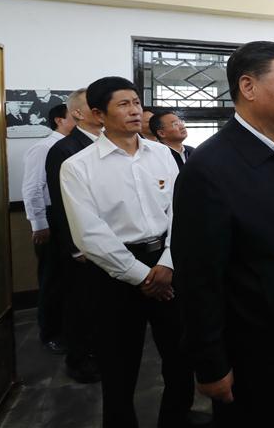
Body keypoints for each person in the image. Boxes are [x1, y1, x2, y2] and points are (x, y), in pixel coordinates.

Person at [171, 41, 274, 427]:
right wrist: (211, 365)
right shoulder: (209, 168)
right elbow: (199, 279)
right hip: (256, 353)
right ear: (248, 87)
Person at [60, 77, 194, 428]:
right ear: (97, 114)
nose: (135, 110)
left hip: (167, 262)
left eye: (136, 102)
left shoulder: (162, 154)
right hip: (113, 275)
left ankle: (176, 419)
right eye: (123, 104)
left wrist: (166, 264)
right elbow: (89, 233)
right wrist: (142, 277)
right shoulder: (78, 166)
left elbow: (181, 213)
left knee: (180, 358)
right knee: (119, 367)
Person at [46, 88, 105, 383]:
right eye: (94, 106)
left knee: (101, 306)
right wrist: (74, 247)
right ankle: (79, 360)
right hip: (80, 245)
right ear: (79, 113)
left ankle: (100, 353)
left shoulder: (111, 144)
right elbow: (61, 204)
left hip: (109, 240)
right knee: (80, 304)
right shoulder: (65, 149)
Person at [21, 103, 75, 354]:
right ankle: (51, 333)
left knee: (68, 279)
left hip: (69, 216)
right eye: (74, 116)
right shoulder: (44, 147)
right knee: (52, 278)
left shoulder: (73, 146)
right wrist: (39, 224)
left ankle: (68, 329)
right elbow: (32, 188)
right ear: (58, 120)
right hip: (50, 219)